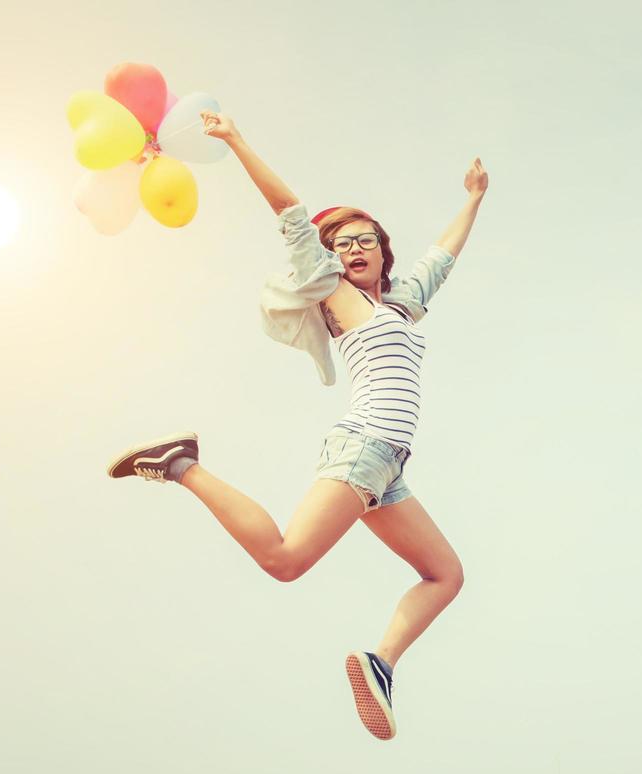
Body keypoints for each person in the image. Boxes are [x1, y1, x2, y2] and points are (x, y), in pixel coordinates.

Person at [105, 108, 489, 741]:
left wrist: (472, 200)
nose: (356, 248)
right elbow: (288, 208)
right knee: (285, 560)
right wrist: (235, 139)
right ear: (329, 261)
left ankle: (381, 664)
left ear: (382, 253)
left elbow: (439, 261)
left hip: (388, 467)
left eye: (367, 239)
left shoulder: (396, 306)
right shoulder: (334, 291)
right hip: (364, 447)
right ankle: (182, 463)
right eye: (343, 242)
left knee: (445, 574)